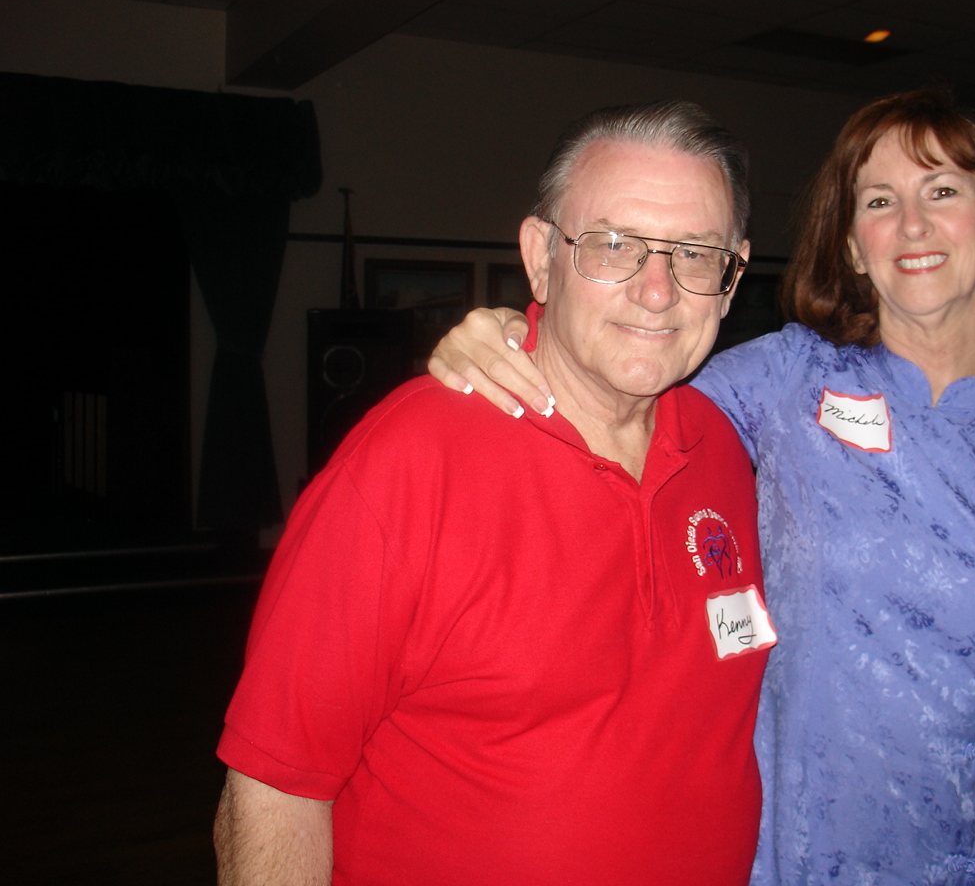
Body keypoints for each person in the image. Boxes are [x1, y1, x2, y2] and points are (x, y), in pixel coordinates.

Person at [428, 88, 975, 886]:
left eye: (941, 191)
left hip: (961, 860)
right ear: (854, 247)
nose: (912, 224)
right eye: (879, 201)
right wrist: (511, 328)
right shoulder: (791, 379)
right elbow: (622, 389)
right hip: (778, 856)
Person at [213, 100, 777, 886]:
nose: (658, 291)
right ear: (541, 258)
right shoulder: (406, 465)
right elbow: (274, 789)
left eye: (694, 253)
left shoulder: (722, 448)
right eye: (614, 246)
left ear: (732, 276)